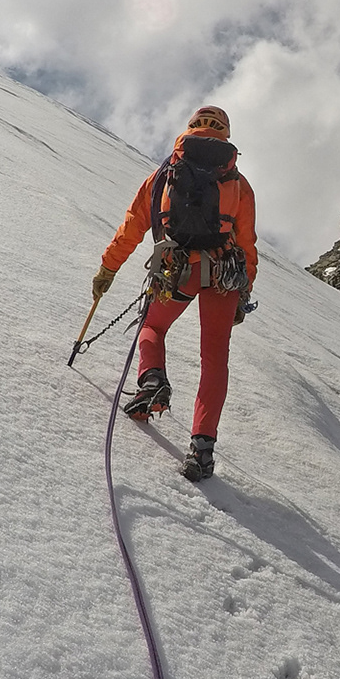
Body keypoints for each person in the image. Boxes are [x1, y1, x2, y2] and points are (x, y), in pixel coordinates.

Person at [90, 105, 257, 481]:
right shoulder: (238, 182)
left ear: (191, 129)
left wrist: (108, 268)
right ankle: (201, 449)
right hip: (222, 274)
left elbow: (133, 224)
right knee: (214, 357)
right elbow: (246, 243)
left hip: (176, 268)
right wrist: (243, 293)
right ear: (226, 135)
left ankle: (152, 382)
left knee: (153, 327)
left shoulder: (164, 174)